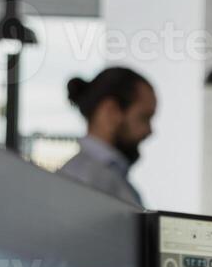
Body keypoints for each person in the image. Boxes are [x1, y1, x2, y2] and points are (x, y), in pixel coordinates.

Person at [58, 67, 157, 207]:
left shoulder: (106, 176)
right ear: (111, 111)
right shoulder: (86, 180)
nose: (149, 131)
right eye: (144, 118)